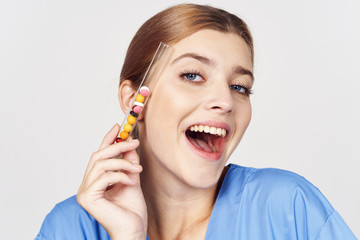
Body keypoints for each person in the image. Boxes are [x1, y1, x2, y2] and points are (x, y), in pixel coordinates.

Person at [35, 3, 356, 240]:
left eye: (239, 86)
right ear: (135, 100)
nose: (226, 101)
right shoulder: (70, 228)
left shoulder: (288, 209)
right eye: (192, 75)